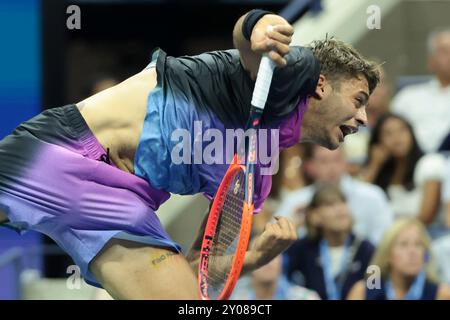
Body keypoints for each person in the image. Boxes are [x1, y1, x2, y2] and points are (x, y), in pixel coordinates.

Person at [0, 10, 379, 299]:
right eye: (358, 100)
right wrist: (261, 27)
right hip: (62, 153)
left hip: (122, 206)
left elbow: (203, 270)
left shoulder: (256, 169)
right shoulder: (292, 76)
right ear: (321, 87)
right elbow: (251, 36)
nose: (363, 117)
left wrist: (256, 257)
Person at [277, 144, 392, 244]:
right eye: (324, 161)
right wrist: (295, 224)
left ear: (346, 162)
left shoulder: (372, 196)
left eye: (337, 159)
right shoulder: (295, 200)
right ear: (310, 166)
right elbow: (275, 239)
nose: (332, 167)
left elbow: (385, 240)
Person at [284, 184, 375, 300]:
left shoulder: (367, 249)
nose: (340, 209)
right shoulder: (301, 249)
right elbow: (280, 280)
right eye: (330, 205)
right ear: (315, 216)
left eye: (343, 202)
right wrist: (293, 226)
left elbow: (376, 289)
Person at [364, 113, 446, 228]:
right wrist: (374, 165)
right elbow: (360, 203)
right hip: (389, 237)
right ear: (378, 141)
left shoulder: (430, 163)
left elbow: (426, 218)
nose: (397, 138)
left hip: (425, 235)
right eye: (388, 133)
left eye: (402, 130)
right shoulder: (383, 172)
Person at [347, 218, 450, 300]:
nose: (412, 252)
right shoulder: (363, 292)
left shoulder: (441, 294)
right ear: (387, 255)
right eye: (403, 244)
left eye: (418, 245)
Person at [391, 27, 450, 153]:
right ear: (431, 61)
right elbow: (390, 132)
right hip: (413, 163)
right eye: (445, 51)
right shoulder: (407, 97)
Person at [231, 254, 320, 300]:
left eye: (273, 255)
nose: (267, 261)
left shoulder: (306, 298)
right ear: (246, 264)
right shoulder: (235, 298)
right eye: (260, 256)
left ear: (283, 261)